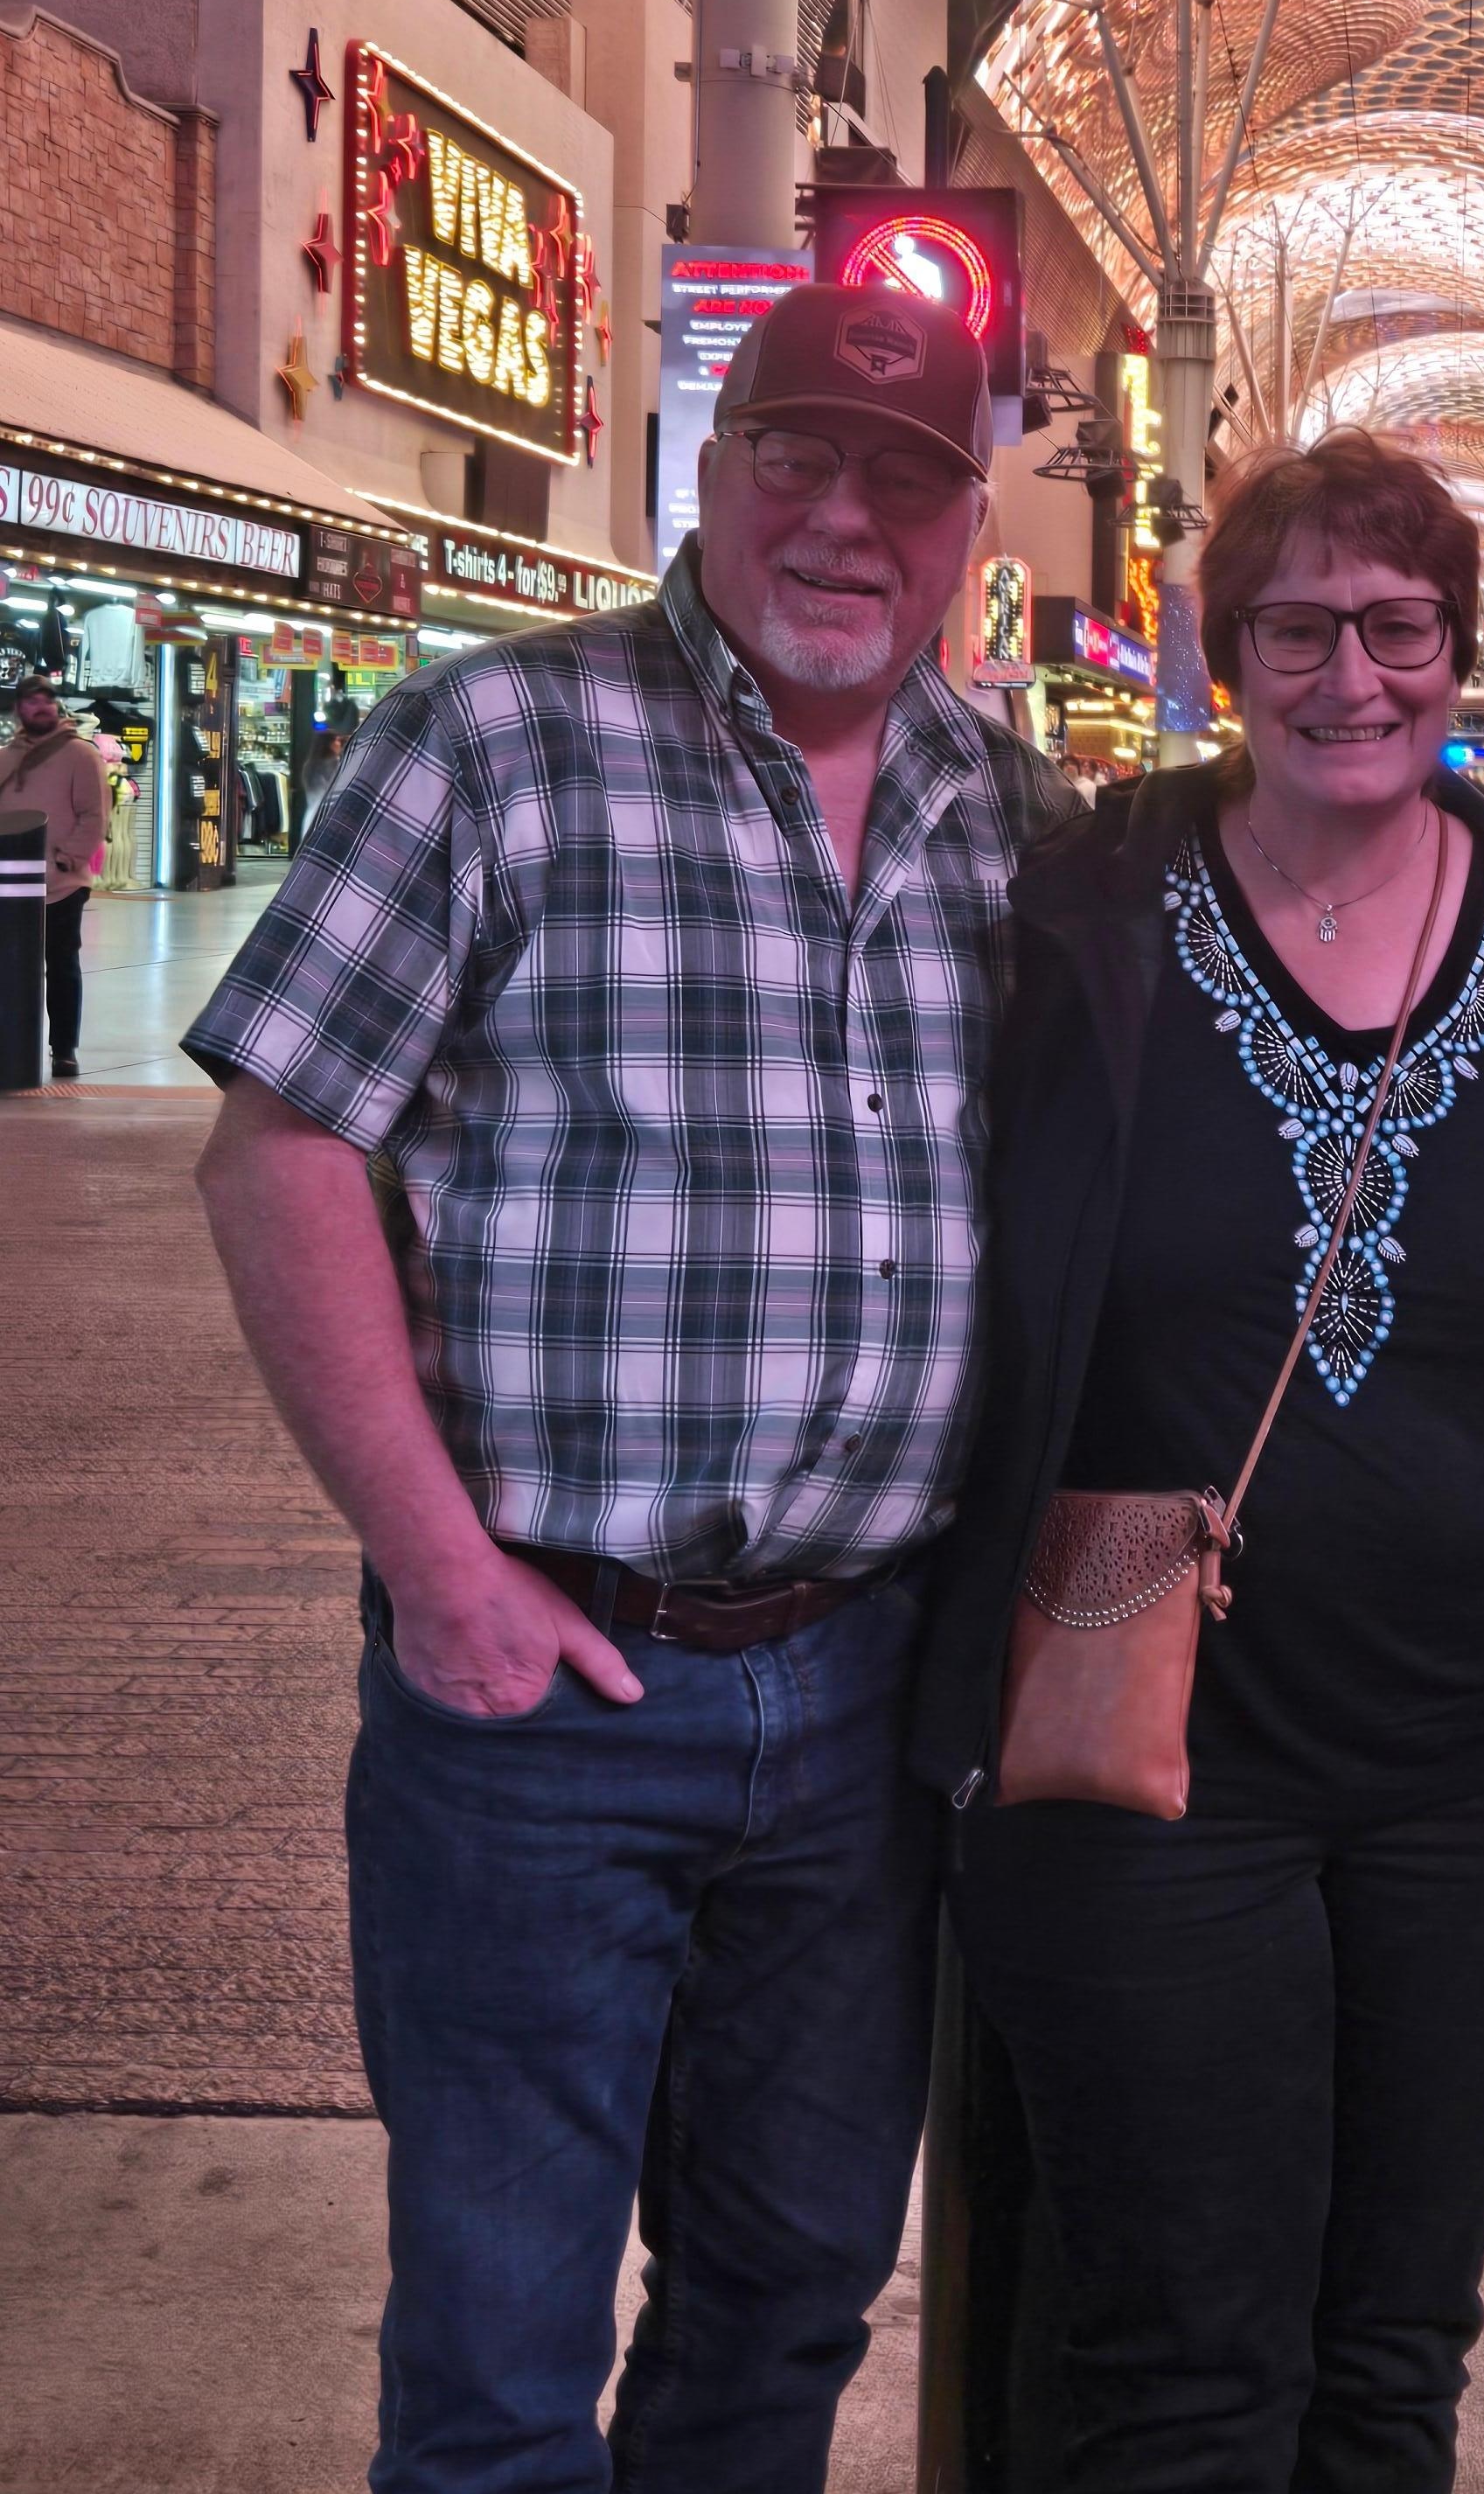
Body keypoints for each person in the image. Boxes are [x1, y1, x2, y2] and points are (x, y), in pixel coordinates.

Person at [184, 282, 1075, 2494]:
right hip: (544, 1691)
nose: (846, 517)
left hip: (865, 1691)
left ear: (971, 525)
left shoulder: (1014, 817)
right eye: (800, 454)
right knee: (501, 2343)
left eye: (907, 478)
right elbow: (282, 1147)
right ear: (712, 463)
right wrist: (442, 1574)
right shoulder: (495, 741)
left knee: (787, 2295)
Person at [916, 428, 1484, 2494]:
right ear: (1222, 650)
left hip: (1474, 1770)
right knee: (1177, 2353)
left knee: (1393, 2343)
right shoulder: (1080, 912)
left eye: (1400, 626)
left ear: (1462, 641)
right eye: (1299, 628)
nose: (1354, 674)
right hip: (1141, 1756)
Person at [0, 672, 107, 1077]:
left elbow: (94, 815)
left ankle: (64, 1049)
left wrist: (67, 859)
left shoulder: (80, 754)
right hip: (11, 883)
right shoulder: (5, 757)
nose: (41, 706)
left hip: (62, 883)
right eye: (32, 701)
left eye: (47, 699)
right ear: (19, 710)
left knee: (61, 965)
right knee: (10, 967)